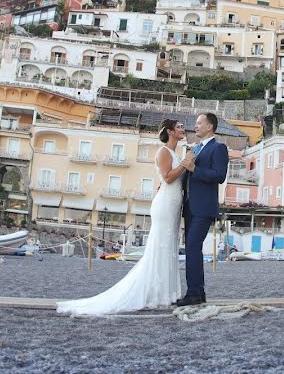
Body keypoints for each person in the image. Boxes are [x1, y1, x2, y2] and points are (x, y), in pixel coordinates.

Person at [58, 119, 190, 315]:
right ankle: (156, 293)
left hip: (173, 204)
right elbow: (168, 177)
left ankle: (166, 293)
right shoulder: (163, 151)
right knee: (160, 246)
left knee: (169, 247)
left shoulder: (175, 153)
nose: (182, 130)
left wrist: (184, 164)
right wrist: (185, 164)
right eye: (179, 127)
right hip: (165, 205)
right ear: (170, 132)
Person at [177, 112, 229, 307]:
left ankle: (193, 293)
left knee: (192, 247)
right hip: (189, 206)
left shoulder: (219, 148)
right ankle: (198, 293)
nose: (195, 126)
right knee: (192, 249)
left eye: (199, 123)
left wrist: (194, 169)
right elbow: (187, 176)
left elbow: (219, 175)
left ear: (210, 126)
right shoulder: (196, 148)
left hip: (204, 207)